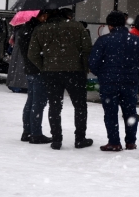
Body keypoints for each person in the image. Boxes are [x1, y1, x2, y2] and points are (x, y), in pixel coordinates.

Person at [27, 9, 93, 150]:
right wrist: (85, 66)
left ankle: (56, 139)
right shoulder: (77, 26)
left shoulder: (40, 29)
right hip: (75, 72)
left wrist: (44, 66)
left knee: (55, 106)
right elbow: (87, 49)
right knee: (80, 106)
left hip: (51, 73)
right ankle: (80, 138)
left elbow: (32, 54)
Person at [89, 11, 139, 151]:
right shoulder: (137, 40)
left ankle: (114, 142)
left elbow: (93, 63)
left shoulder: (103, 41)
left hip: (109, 82)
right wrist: (135, 74)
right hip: (130, 82)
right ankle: (131, 142)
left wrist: (102, 74)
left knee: (110, 113)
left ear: (110, 25)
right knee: (130, 112)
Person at [16, 10, 51, 144]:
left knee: (31, 101)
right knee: (39, 102)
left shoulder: (24, 29)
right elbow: (39, 51)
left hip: (29, 69)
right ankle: (36, 133)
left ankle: (27, 131)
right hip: (38, 70)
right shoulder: (37, 30)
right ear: (42, 16)